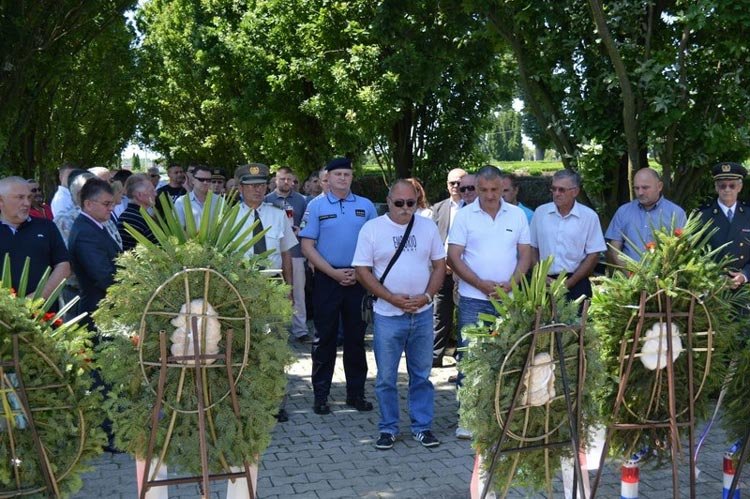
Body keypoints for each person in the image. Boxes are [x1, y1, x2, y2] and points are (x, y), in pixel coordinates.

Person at [353, 180, 446, 450]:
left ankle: (422, 427)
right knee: (386, 378)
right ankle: (388, 428)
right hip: (387, 314)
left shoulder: (427, 227)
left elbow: (440, 265)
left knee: (422, 375)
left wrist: (427, 296)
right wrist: (390, 297)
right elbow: (362, 271)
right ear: (388, 201)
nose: (405, 208)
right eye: (399, 203)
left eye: (411, 203)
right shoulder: (372, 229)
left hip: (423, 313)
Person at [448, 165, 531, 438]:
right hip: (474, 299)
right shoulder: (464, 216)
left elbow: (525, 255)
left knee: (508, 357)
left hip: (509, 299)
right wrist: (479, 284)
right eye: (484, 190)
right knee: (471, 358)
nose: (490, 195)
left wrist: (513, 283)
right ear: (476, 188)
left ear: (502, 187)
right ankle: (468, 418)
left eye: (495, 189)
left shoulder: (517, 215)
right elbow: (454, 257)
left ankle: (503, 417)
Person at [300, 157, 377, 415]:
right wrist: (333, 272)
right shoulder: (316, 206)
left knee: (356, 340)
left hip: (358, 279)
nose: (343, 178)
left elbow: (376, 242)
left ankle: (356, 394)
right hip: (327, 279)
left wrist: (361, 271)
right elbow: (307, 246)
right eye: (338, 174)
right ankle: (321, 396)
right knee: (324, 339)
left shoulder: (365, 206)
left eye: (347, 174)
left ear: (352, 177)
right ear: (328, 178)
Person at [529, 170, 606, 301]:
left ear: (575, 192)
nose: (556, 193)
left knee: (576, 315)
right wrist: (541, 276)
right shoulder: (540, 213)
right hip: (543, 282)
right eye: (554, 189)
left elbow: (594, 254)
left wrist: (569, 283)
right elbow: (532, 247)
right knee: (542, 315)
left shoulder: (589, 216)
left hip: (576, 282)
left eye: (562, 190)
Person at [0, 176, 70, 299]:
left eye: (29, 197)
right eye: (20, 197)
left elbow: (63, 265)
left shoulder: (46, 227)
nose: (27, 203)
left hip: (43, 308)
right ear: (1, 201)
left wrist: (35, 299)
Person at [67, 178, 122, 328]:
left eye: (112, 203)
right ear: (88, 204)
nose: (111, 208)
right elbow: (103, 276)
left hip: (106, 308)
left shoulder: (93, 226)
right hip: (98, 312)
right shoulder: (86, 232)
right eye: (106, 204)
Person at [605, 167, 687, 265]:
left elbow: (683, 248)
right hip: (627, 272)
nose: (640, 192)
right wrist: (628, 272)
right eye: (636, 188)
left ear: (659, 186)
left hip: (663, 273)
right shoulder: (623, 211)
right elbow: (614, 248)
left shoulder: (676, 213)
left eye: (645, 188)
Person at [265, 166, 311, 342]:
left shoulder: (301, 200)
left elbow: (308, 222)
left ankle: (300, 330)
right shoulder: (267, 200)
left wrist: (301, 229)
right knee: (274, 293)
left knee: (298, 293)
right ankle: (273, 331)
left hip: (296, 252)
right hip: (274, 254)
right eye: (282, 179)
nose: (286, 182)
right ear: (275, 180)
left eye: (289, 179)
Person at [430, 167, 466, 368]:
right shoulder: (438, 208)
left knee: (465, 314)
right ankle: (435, 356)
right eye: (452, 183)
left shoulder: (473, 207)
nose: (456, 186)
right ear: (447, 185)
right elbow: (432, 238)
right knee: (440, 313)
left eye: (460, 182)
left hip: (467, 271)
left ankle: (463, 357)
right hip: (442, 270)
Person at [699, 162, 750, 289]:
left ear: (740, 187)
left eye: (732, 185)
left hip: (744, 288)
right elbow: (695, 253)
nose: (727, 189)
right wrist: (714, 276)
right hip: (712, 287)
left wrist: (745, 275)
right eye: (722, 186)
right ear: (716, 188)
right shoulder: (702, 216)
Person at [117, 174, 158, 251]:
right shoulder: (132, 219)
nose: (155, 194)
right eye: (152, 191)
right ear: (139, 195)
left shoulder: (137, 215)